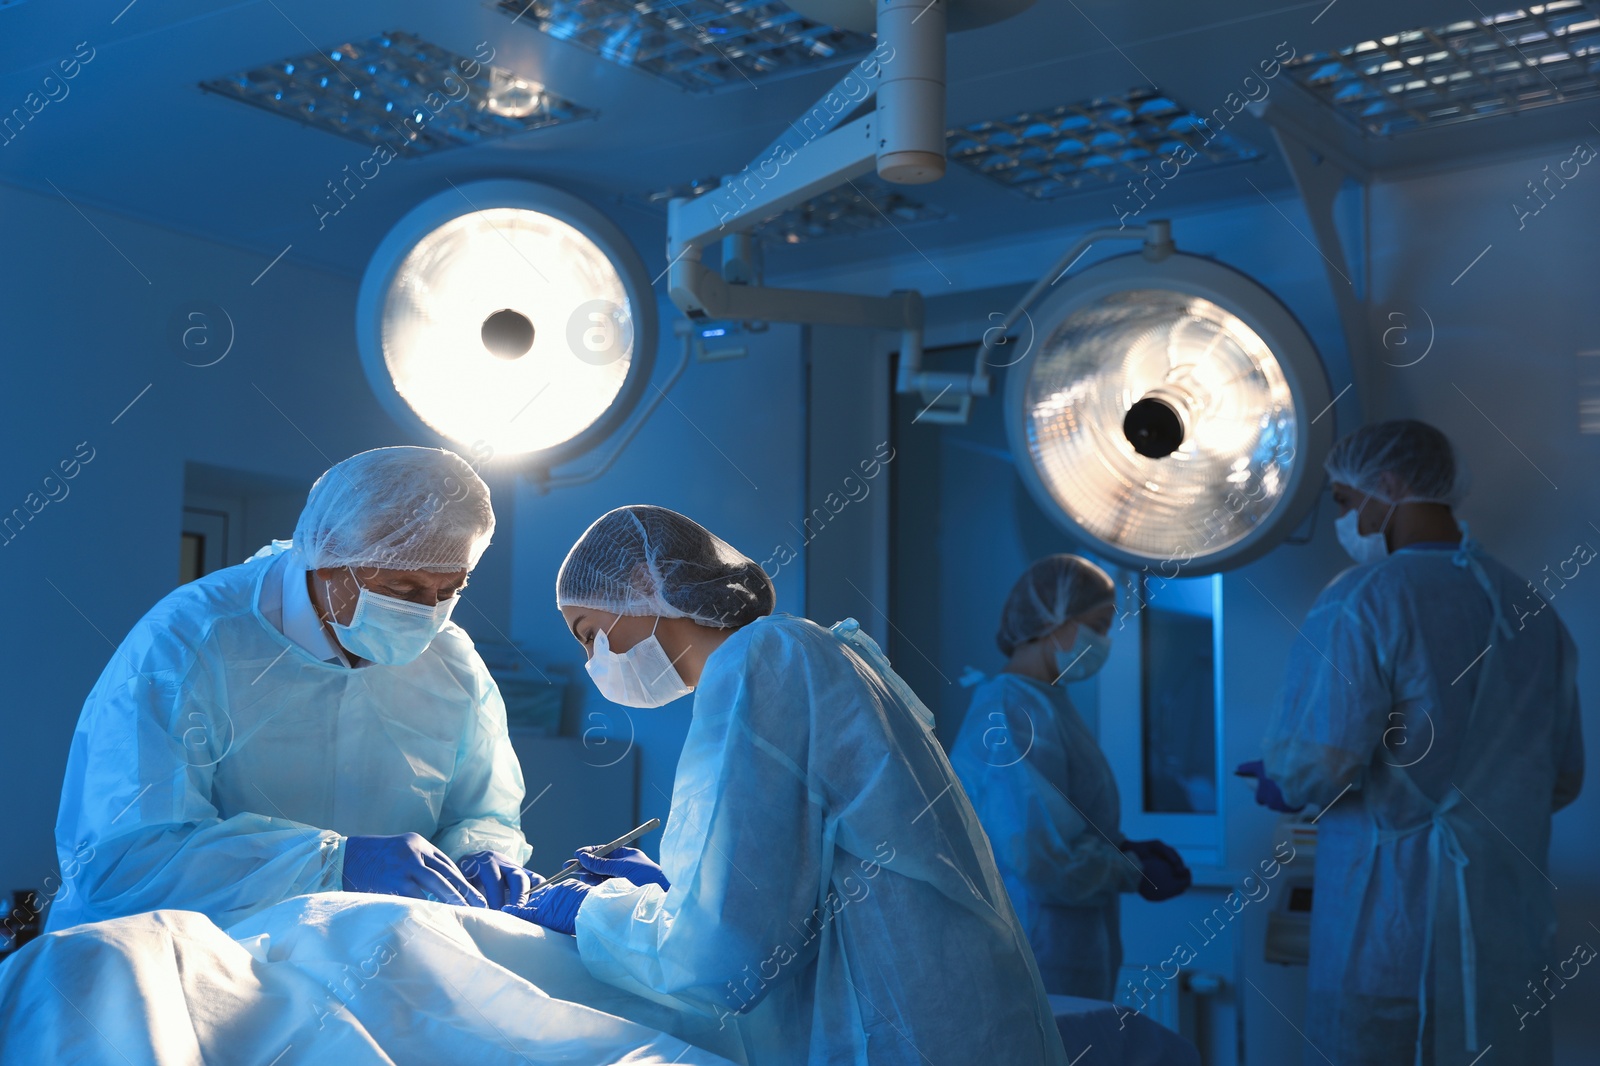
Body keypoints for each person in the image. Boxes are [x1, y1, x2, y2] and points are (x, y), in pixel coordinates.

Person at [505, 505, 1068, 1065]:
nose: (592, 660)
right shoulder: (801, 652)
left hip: (911, 1030)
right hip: (955, 1013)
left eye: (589, 635)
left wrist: (592, 911)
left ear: (643, 582)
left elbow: (725, 960)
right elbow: (786, 879)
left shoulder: (762, 663)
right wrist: (681, 893)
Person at [48, 447, 535, 932]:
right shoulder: (191, 641)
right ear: (327, 559)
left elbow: (482, 810)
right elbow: (127, 860)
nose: (428, 612)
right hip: (177, 964)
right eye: (403, 590)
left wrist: (479, 854)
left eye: (450, 590)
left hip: (363, 962)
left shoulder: (450, 661)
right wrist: (332, 864)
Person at [1239, 420, 1584, 1065]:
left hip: (1389, 924)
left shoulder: (1366, 600)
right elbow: (1561, 777)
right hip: (1501, 928)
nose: (1344, 520)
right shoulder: (1532, 610)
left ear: (1388, 485)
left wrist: (1282, 779)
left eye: (1344, 501)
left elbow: (1317, 766)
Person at [948, 555, 1191, 1000]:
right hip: (1036, 946)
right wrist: (1132, 871)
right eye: (1097, 624)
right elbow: (1036, 856)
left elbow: (1059, 819)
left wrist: (1120, 848)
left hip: (1070, 946)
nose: (1103, 640)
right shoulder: (1009, 709)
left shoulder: (1046, 702)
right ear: (1051, 618)